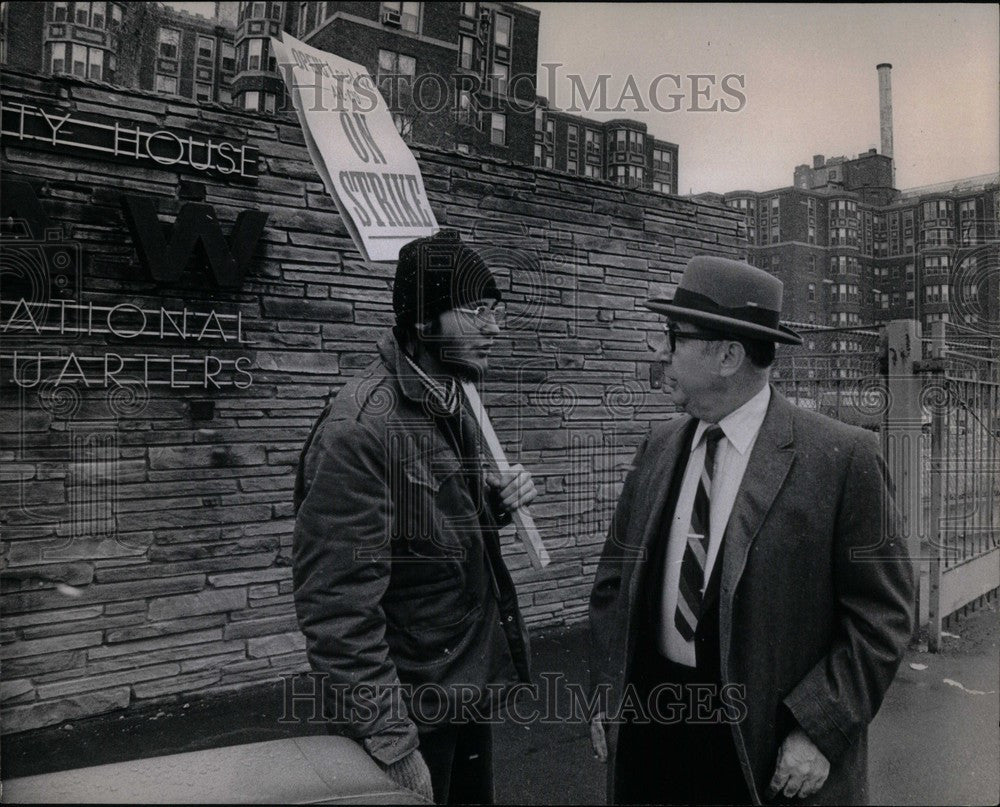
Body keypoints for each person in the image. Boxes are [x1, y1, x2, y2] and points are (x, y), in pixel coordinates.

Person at [588, 255, 913, 805]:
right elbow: (613, 584)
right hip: (653, 736)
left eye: (674, 336)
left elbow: (884, 617)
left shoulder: (841, 460)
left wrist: (818, 729)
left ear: (728, 355)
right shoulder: (659, 446)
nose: (662, 353)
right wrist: (609, 689)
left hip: (762, 751)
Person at [292, 229, 536, 805]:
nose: (494, 327)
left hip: (460, 693)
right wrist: (392, 746)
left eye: (495, 310)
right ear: (424, 322)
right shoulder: (359, 431)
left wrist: (492, 508)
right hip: (409, 714)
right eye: (475, 311)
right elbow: (337, 608)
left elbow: (423, 530)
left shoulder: (450, 395)